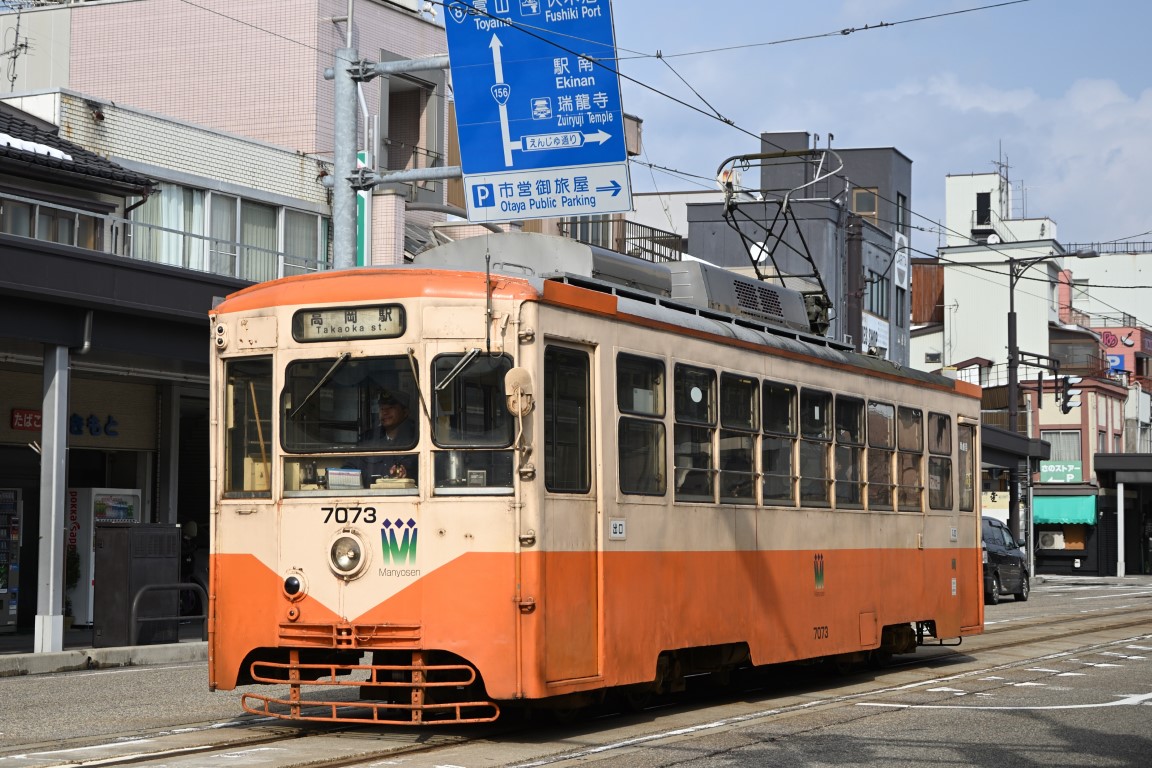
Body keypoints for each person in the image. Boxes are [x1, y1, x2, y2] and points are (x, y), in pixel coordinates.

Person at [360, 389, 418, 481]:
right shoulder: (369, 438)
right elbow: (352, 465)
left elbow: (418, 465)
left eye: (391, 407)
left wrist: (404, 470)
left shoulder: (417, 438)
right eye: (382, 408)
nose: (385, 412)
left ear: (405, 412)